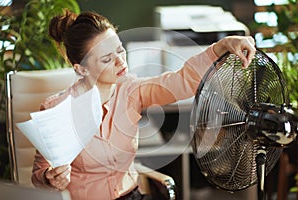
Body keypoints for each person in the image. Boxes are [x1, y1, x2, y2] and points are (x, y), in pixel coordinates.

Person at [31, 9, 256, 200]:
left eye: (120, 49)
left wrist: (221, 47)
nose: (121, 61)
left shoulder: (131, 90)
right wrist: (51, 178)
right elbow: (39, 175)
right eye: (107, 59)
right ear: (81, 69)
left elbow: (181, 81)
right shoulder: (56, 110)